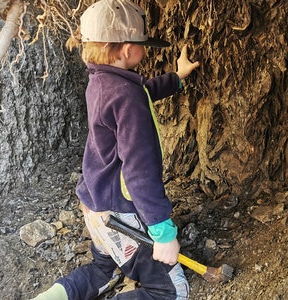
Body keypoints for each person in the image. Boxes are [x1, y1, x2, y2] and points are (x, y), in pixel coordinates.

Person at [32, 0, 200, 299]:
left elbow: (142, 92)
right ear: (126, 49)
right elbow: (139, 171)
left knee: (102, 270)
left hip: (95, 205)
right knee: (171, 292)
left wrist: (177, 78)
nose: (145, 50)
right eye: (143, 44)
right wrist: (163, 233)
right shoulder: (127, 97)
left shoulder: (101, 82)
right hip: (121, 216)